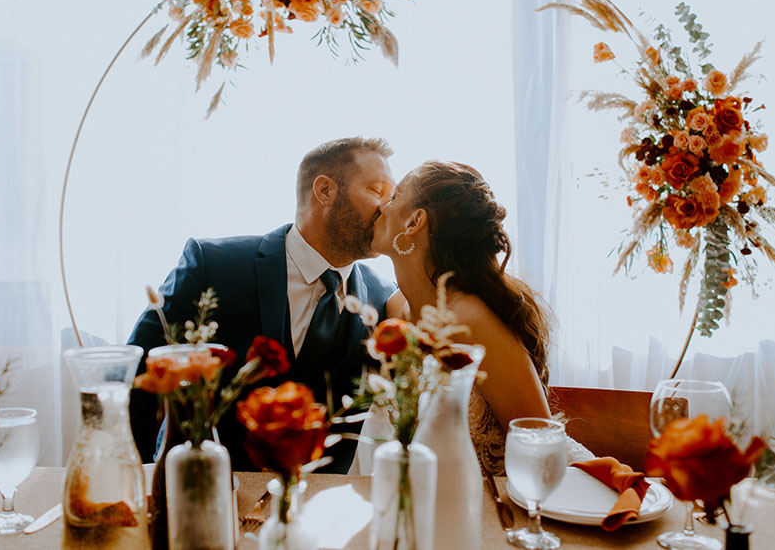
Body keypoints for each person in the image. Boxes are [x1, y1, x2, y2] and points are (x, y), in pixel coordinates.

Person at [128, 137, 398, 473]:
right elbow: (136, 377)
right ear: (325, 191)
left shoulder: (387, 298)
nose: (387, 208)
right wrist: (140, 484)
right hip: (209, 497)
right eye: (377, 190)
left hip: (322, 512)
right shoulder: (212, 264)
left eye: (392, 197)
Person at [371, 160, 592, 475]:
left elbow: (542, 447)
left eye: (395, 197)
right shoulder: (396, 310)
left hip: (512, 501)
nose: (382, 206)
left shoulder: (470, 320)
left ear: (414, 222)